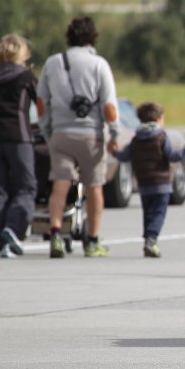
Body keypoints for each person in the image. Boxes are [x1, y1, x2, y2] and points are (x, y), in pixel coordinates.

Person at [37, 16, 119, 258]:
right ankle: (92, 241)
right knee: (94, 187)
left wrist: (47, 131)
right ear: (93, 37)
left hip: (61, 133)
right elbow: (109, 106)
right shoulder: (99, 65)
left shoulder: (53, 63)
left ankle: (55, 234)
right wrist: (114, 134)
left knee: (60, 185)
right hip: (91, 136)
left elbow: (41, 102)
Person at [108, 102, 185, 257]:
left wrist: (114, 152)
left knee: (147, 213)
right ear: (158, 119)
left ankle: (148, 240)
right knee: (158, 213)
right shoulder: (161, 137)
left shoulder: (136, 139)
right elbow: (174, 156)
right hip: (161, 184)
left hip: (143, 184)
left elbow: (125, 157)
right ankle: (151, 240)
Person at [0, 34, 42, 258]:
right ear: (21, 53)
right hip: (19, 137)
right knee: (26, 187)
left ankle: (3, 243)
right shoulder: (26, 77)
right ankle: (14, 229)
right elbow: (42, 104)